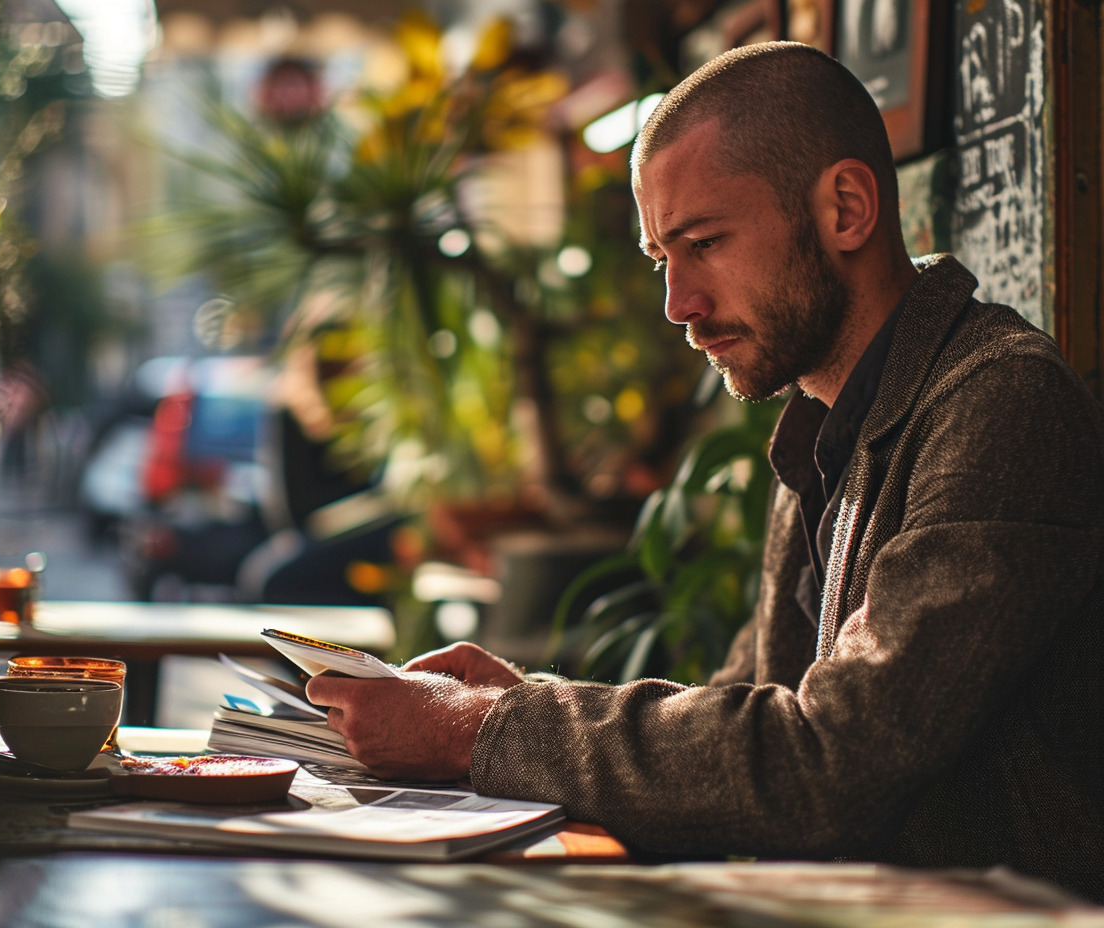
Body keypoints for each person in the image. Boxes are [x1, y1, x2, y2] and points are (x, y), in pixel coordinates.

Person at [306, 41, 1104, 901]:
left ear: (846, 207)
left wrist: (482, 731)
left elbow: (828, 762)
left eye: (707, 242)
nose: (677, 305)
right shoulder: (825, 423)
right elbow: (745, 709)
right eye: (662, 258)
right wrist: (520, 703)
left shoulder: (999, 403)